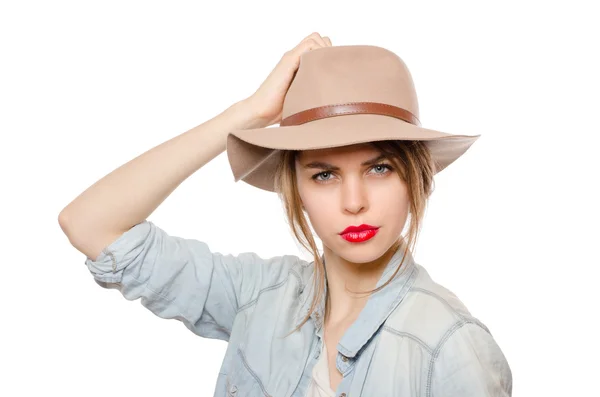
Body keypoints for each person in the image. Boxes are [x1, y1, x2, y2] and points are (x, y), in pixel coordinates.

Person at [59, 32, 512, 396]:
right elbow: (90, 224)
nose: (354, 201)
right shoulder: (259, 296)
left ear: (415, 178)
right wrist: (249, 113)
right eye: (324, 175)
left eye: (379, 168)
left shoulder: (451, 346)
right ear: (293, 187)